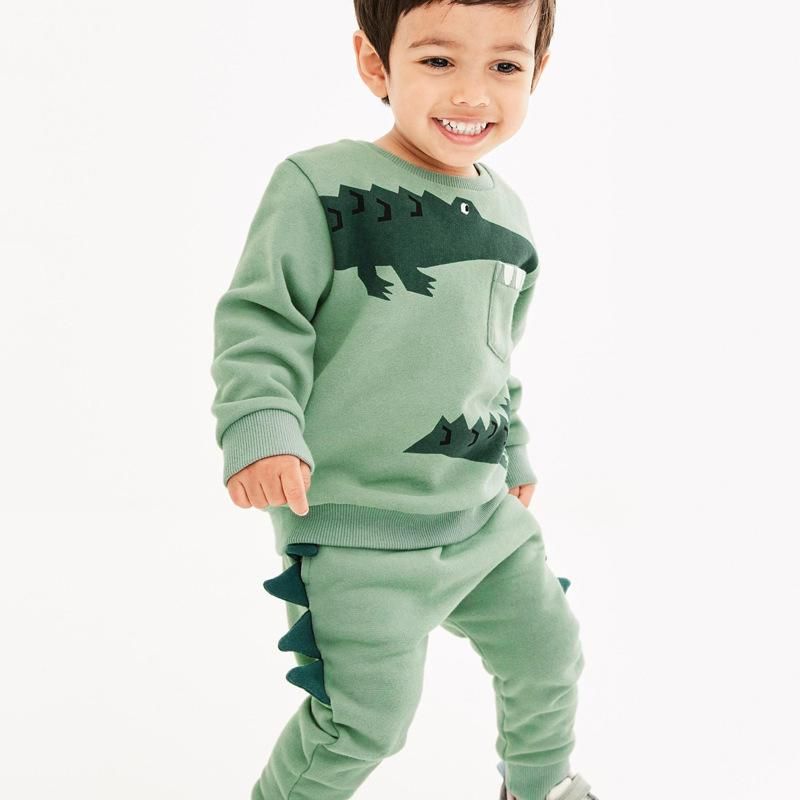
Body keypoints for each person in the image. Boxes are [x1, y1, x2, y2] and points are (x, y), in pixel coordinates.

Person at [210, 2, 598, 798]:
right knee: (363, 721)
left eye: (504, 66)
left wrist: (513, 450)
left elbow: (493, 357)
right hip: (355, 524)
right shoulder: (316, 184)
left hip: (482, 515)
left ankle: (542, 789)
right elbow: (262, 319)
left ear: (537, 72)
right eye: (438, 61)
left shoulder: (510, 216)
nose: (471, 94)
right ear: (374, 62)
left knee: (550, 654)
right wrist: (261, 423)